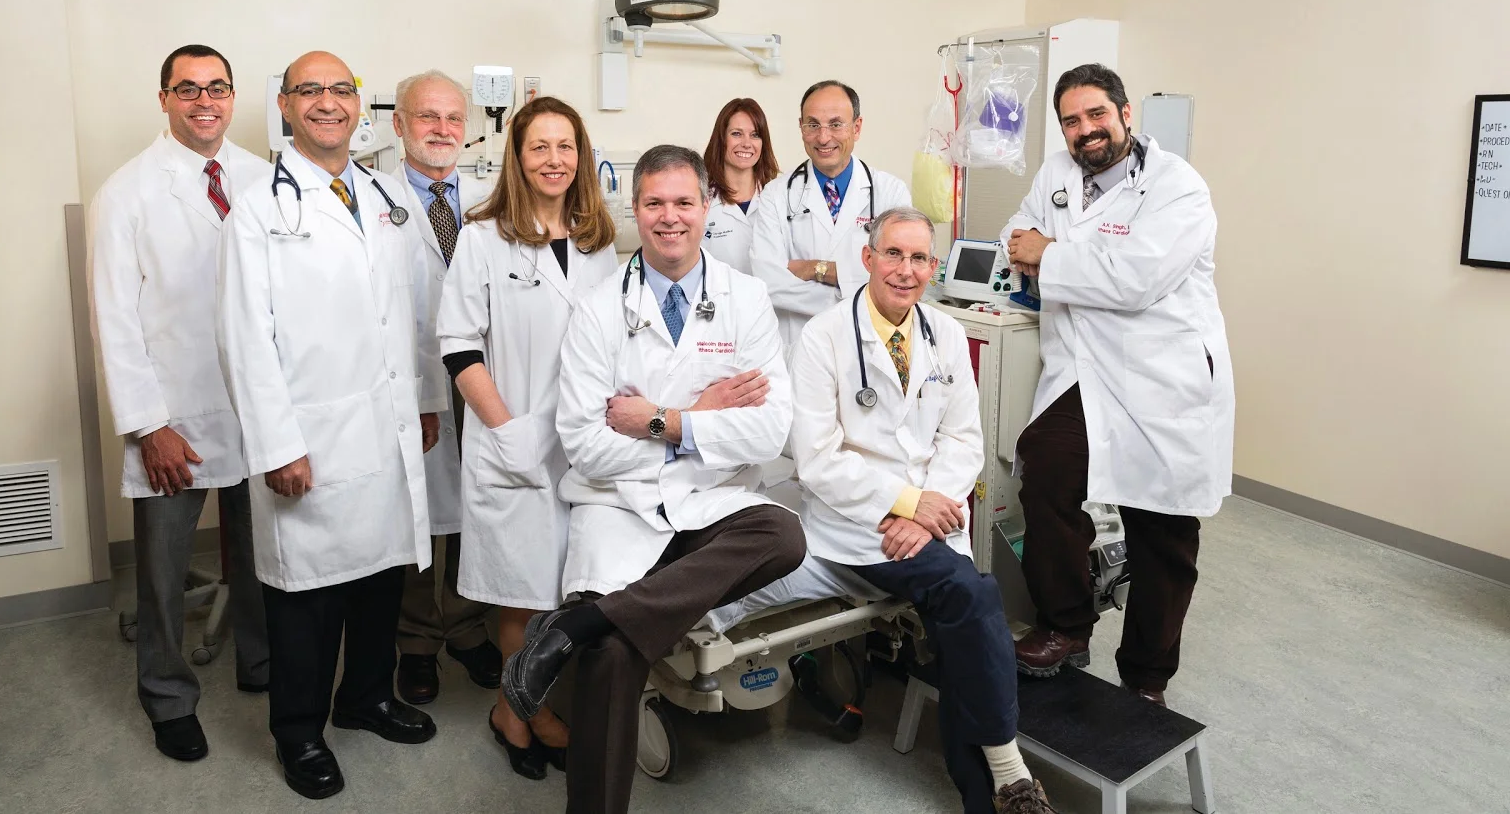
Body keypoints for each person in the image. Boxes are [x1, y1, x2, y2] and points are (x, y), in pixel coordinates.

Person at [504, 144, 805, 814]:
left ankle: (578, 624)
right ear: (635, 210)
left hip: (709, 506)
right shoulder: (598, 308)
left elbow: (768, 432)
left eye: (684, 202)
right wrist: (704, 420)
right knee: (614, 656)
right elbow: (585, 445)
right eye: (655, 203)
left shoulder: (746, 298)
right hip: (618, 507)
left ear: (707, 207)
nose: (671, 217)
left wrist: (659, 420)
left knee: (782, 533)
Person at [216, 51, 438, 800]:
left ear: (358, 105)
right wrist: (277, 444)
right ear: (284, 105)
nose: (327, 102)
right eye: (309, 90)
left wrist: (425, 401)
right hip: (309, 435)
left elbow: (411, 310)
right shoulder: (258, 210)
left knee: (380, 576)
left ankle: (366, 697)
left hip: (383, 422)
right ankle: (299, 732)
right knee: (307, 597)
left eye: (340, 89)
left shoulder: (381, 197)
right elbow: (244, 339)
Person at [789, 206, 1056, 814]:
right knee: (971, 594)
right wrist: (908, 505)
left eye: (918, 258)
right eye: (893, 254)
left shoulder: (946, 334)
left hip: (926, 523)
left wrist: (923, 509)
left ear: (933, 267)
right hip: (861, 526)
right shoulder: (822, 338)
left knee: (964, 616)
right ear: (868, 258)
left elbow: (963, 439)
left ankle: (986, 796)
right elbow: (818, 459)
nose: (905, 270)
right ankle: (1010, 774)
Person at [1001, 63, 1234, 706]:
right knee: (1046, 471)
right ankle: (1065, 626)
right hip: (1084, 369)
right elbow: (1015, 237)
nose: (1086, 130)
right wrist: (1040, 250)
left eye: (1097, 114)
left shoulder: (1177, 188)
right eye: (1071, 121)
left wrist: (1049, 254)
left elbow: (1135, 280)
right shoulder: (1055, 173)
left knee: (1161, 529)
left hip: (1161, 378)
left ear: (1126, 114)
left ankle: (1146, 677)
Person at [87, 43, 272, 763]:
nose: (205, 101)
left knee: (264, 551)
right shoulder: (127, 192)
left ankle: (261, 662)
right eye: (188, 88)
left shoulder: (262, 178)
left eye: (217, 87)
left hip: (256, 403)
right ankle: (167, 695)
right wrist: (148, 425)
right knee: (163, 571)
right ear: (163, 98)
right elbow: (114, 319)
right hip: (174, 414)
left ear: (232, 97)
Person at [436, 97, 617, 781]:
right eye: (539, 146)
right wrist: (506, 430)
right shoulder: (484, 237)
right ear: (517, 157)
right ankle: (517, 714)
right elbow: (458, 344)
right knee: (525, 592)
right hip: (514, 440)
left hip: (584, 444)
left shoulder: (598, 239)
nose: (553, 160)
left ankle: (526, 707)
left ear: (581, 156)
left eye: (565, 146)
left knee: (572, 587)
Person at [385, 70, 501, 704]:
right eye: (427, 116)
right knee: (414, 506)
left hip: (481, 370)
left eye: (453, 118)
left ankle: (467, 625)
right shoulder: (372, 198)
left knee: (474, 499)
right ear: (399, 124)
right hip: (405, 374)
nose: (442, 129)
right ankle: (416, 639)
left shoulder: (489, 198)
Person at [749, 79, 912, 357]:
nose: (823, 138)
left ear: (856, 127)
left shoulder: (890, 193)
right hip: (800, 349)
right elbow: (769, 283)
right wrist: (855, 290)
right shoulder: (776, 195)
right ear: (801, 128)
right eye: (813, 125)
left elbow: (898, 274)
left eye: (836, 124)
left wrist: (816, 269)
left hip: (869, 348)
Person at [700, 97, 778, 273]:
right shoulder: (701, 201)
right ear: (721, 139)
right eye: (736, 133)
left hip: (773, 291)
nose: (746, 144)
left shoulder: (778, 196)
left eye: (755, 135)